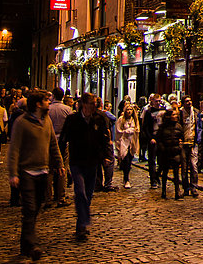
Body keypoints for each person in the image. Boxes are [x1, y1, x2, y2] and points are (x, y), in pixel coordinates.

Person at [7, 89, 64, 260]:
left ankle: (25, 244)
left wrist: (59, 163)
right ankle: (32, 244)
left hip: (43, 171)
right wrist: (13, 173)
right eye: (47, 100)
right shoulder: (21, 122)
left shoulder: (46, 120)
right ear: (38, 104)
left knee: (36, 207)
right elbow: (14, 149)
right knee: (30, 208)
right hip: (26, 172)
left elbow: (53, 143)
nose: (49, 102)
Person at [59, 92, 111, 241]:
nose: (93, 106)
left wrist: (105, 157)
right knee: (80, 191)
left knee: (88, 194)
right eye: (91, 104)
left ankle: (80, 225)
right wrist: (59, 160)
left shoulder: (99, 119)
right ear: (84, 105)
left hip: (92, 162)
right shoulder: (73, 120)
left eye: (95, 104)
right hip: (77, 161)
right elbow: (64, 139)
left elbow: (103, 139)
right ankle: (82, 225)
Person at [46, 87, 71, 206]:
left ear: (54, 96)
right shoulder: (67, 109)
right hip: (63, 141)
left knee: (50, 169)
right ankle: (60, 196)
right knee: (62, 168)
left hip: (49, 140)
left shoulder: (48, 109)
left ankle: (48, 197)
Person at [155, 105, 184, 200]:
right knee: (165, 172)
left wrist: (179, 147)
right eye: (174, 115)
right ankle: (164, 191)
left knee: (176, 174)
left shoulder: (179, 127)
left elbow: (182, 138)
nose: (176, 116)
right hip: (166, 153)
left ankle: (177, 192)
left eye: (176, 115)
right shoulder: (163, 128)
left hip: (175, 152)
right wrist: (163, 149)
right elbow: (159, 139)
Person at [140, 94, 165, 189]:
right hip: (153, 138)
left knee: (162, 160)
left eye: (159, 101)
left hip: (161, 138)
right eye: (156, 101)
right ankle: (153, 180)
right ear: (152, 101)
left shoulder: (163, 111)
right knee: (152, 160)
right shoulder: (148, 112)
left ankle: (157, 175)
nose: (158, 103)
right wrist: (150, 138)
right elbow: (145, 127)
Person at [115, 99, 140, 189]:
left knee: (129, 161)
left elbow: (137, 130)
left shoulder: (134, 120)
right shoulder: (121, 120)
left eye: (130, 110)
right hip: (124, 142)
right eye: (127, 110)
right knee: (126, 161)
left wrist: (133, 131)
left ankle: (126, 177)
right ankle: (126, 179)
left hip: (132, 143)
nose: (129, 111)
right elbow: (118, 131)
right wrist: (126, 132)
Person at [180, 95, 200, 197]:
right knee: (184, 168)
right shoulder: (180, 113)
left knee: (194, 166)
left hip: (193, 142)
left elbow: (199, 127)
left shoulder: (196, 112)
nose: (189, 102)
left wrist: (198, 140)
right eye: (187, 101)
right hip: (183, 143)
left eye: (190, 100)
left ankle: (194, 187)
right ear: (183, 103)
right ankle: (186, 188)